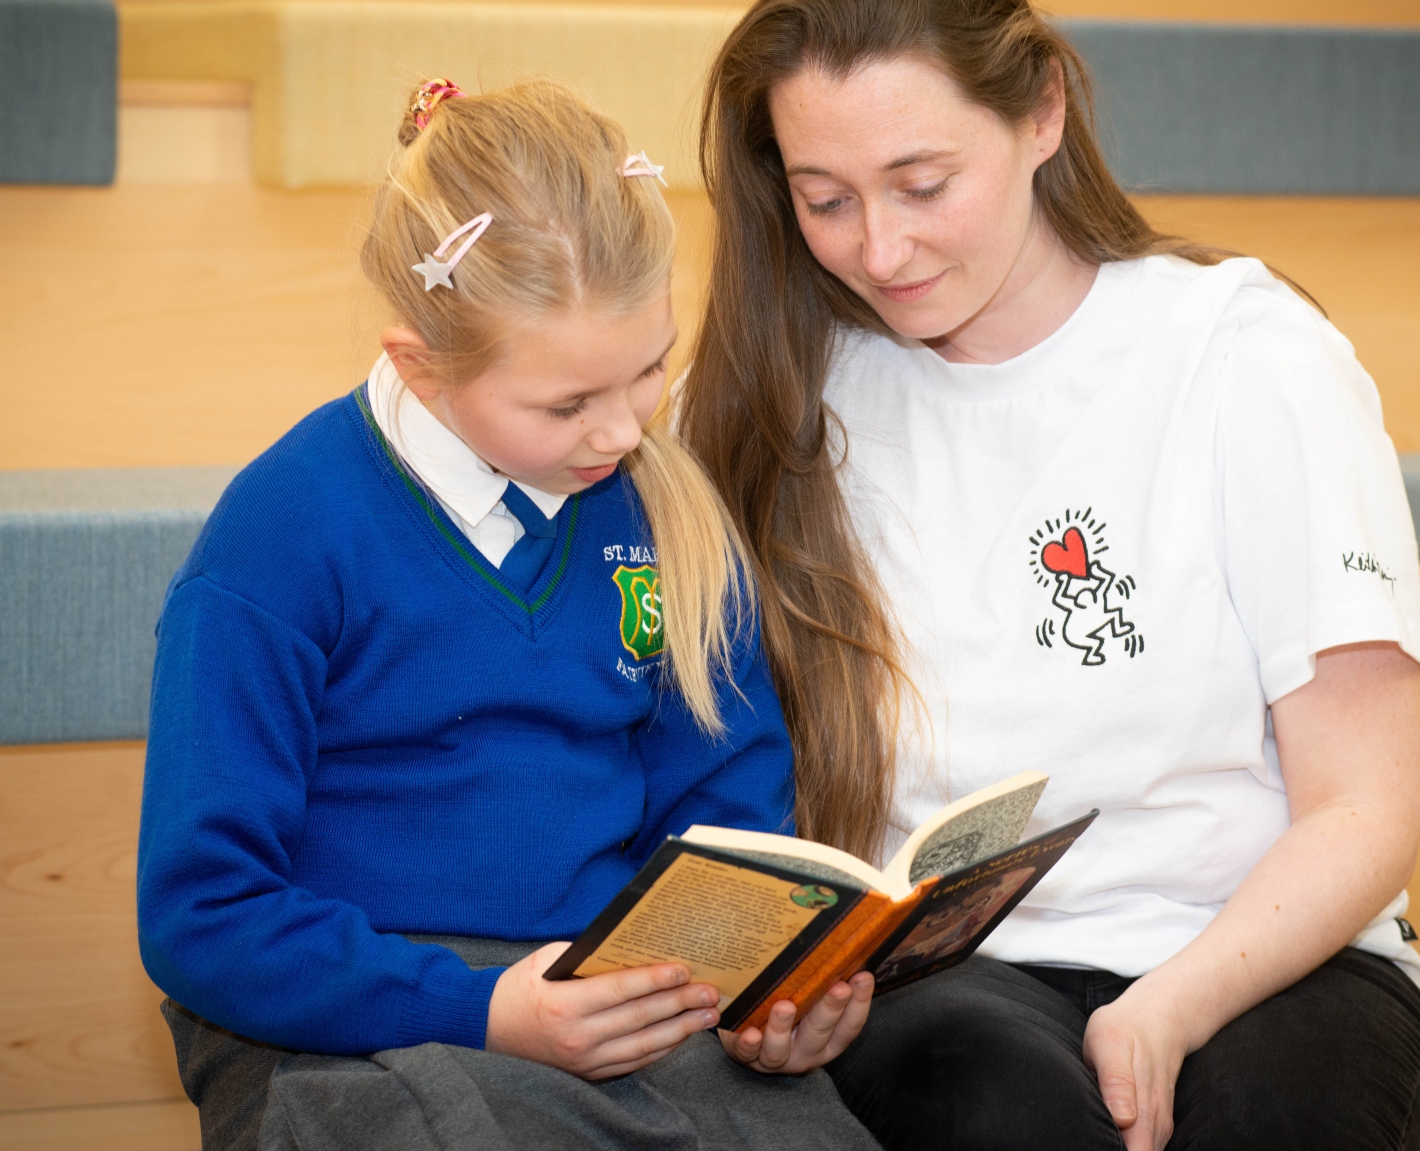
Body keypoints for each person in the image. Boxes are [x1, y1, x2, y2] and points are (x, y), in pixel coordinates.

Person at [680, 0, 1420, 1151]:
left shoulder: (1247, 355)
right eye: (825, 200)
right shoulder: (780, 397)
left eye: (924, 186)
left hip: (1256, 949)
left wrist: (1171, 1008)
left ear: (1041, 111)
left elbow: (1363, 808)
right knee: (994, 1111)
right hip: (944, 982)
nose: (881, 248)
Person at [138, 79, 876, 1151]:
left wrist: (768, 993)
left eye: (650, 369)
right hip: (345, 1021)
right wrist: (485, 1011)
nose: (623, 428)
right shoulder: (284, 534)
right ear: (420, 363)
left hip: (604, 994)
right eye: (568, 404)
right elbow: (206, 914)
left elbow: (726, 820)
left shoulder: (664, 517)